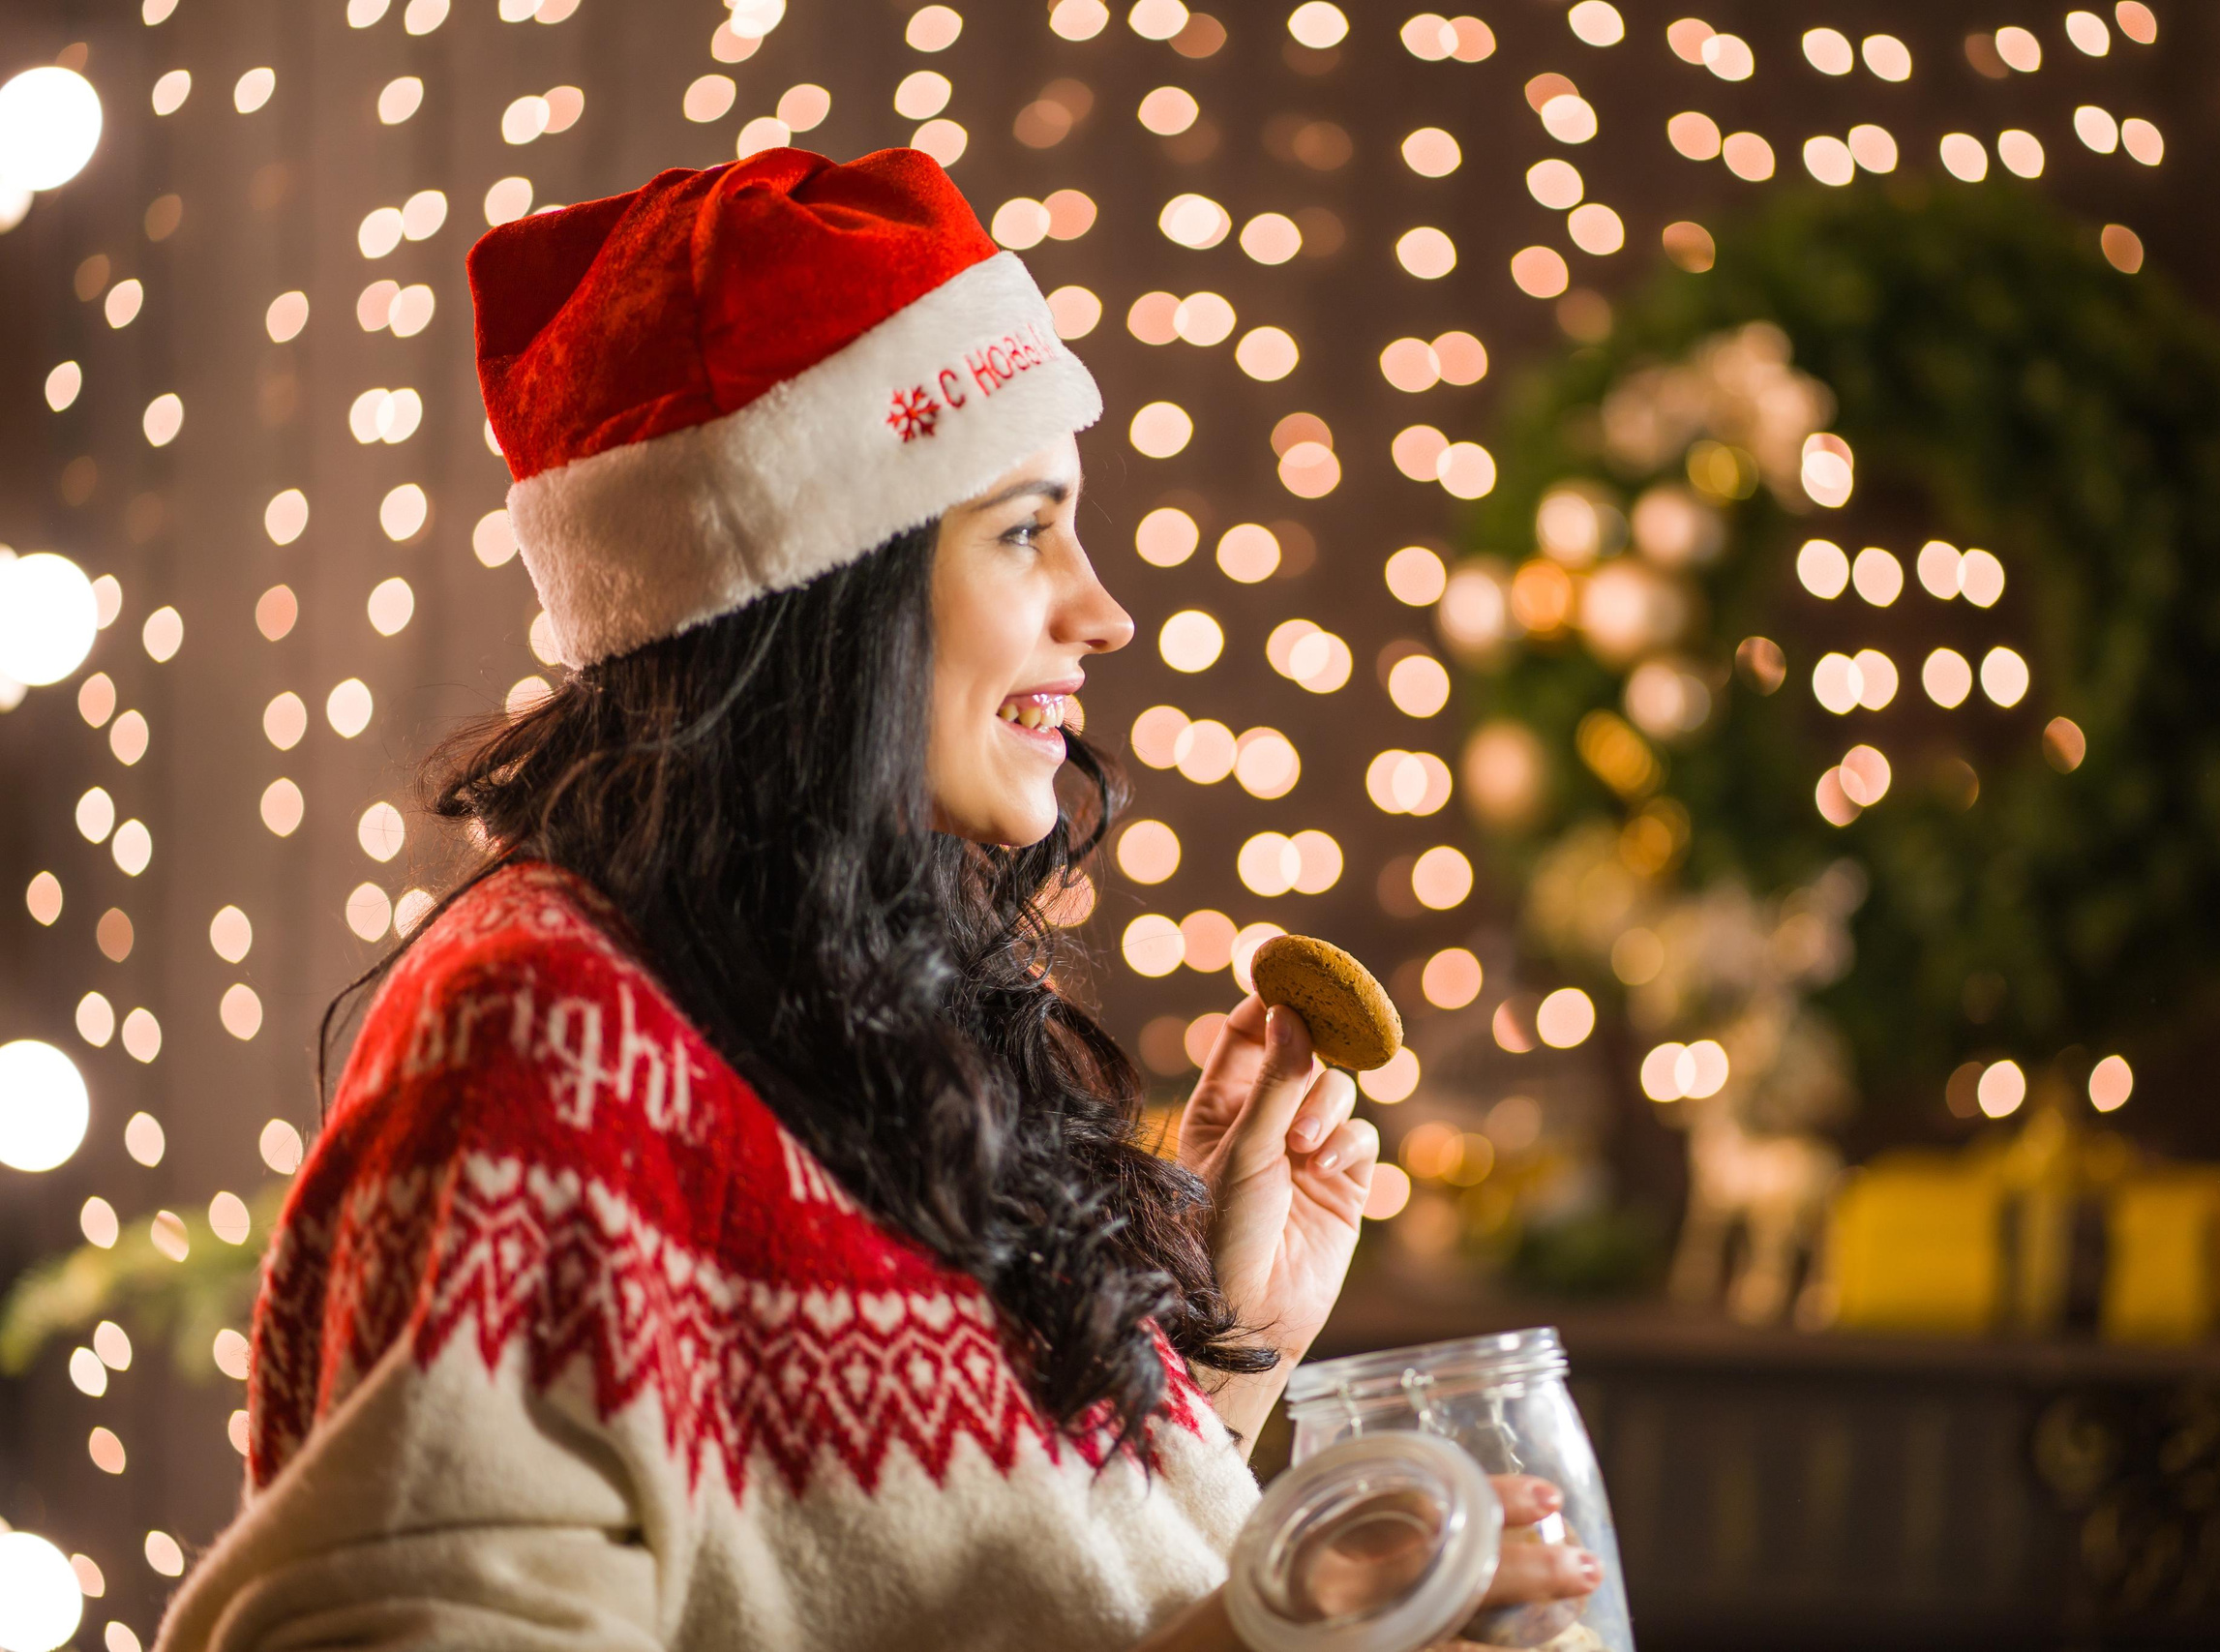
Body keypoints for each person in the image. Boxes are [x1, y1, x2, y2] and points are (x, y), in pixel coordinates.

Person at [156, 147, 1598, 1652]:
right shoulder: (545, 1040)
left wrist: (1215, 1363)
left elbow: (929, 1596)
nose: (1100, 610)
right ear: (822, 579)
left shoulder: (829, 1018)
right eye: (1026, 529)